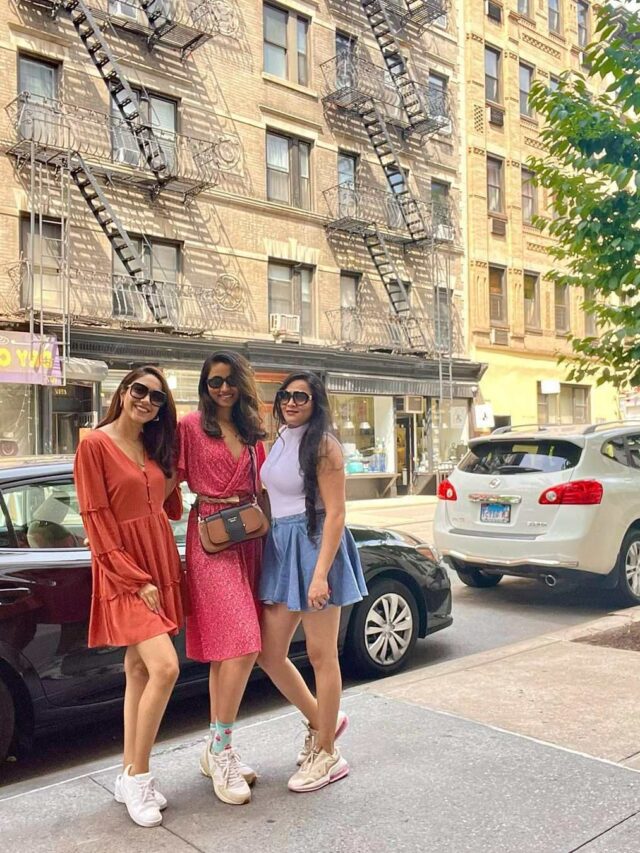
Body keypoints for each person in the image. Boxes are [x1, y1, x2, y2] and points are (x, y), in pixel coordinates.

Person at [74, 366, 183, 829]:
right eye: (140, 390)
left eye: (157, 398)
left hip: (158, 561)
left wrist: (172, 461)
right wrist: (135, 579)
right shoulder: (95, 445)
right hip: (126, 572)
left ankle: (127, 774)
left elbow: (167, 506)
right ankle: (140, 776)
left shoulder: (151, 447)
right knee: (165, 668)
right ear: (122, 392)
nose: (146, 400)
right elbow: (95, 518)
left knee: (138, 670)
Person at [258, 371, 368, 793]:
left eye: (300, 397)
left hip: (315, 543)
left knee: (322, 655)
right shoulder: (282, 439)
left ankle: (327, 753)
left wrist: (320, 573)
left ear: (315, 401)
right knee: (270, 653)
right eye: (285, 395)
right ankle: (323, 721)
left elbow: (336, 513)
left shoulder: (324, 444)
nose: (291, 402)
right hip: (283, 547)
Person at [177, 351, 266, 806]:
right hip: (210, 540)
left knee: (226, 653)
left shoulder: (252, 430)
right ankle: (221, 750)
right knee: (244, 643)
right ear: (204, 386)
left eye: (230, 380)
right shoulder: (191, 426)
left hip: (248, 537)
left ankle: (216, 748)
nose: (224, 388)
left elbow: (268, 485)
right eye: (215, 382)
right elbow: (165, 480)